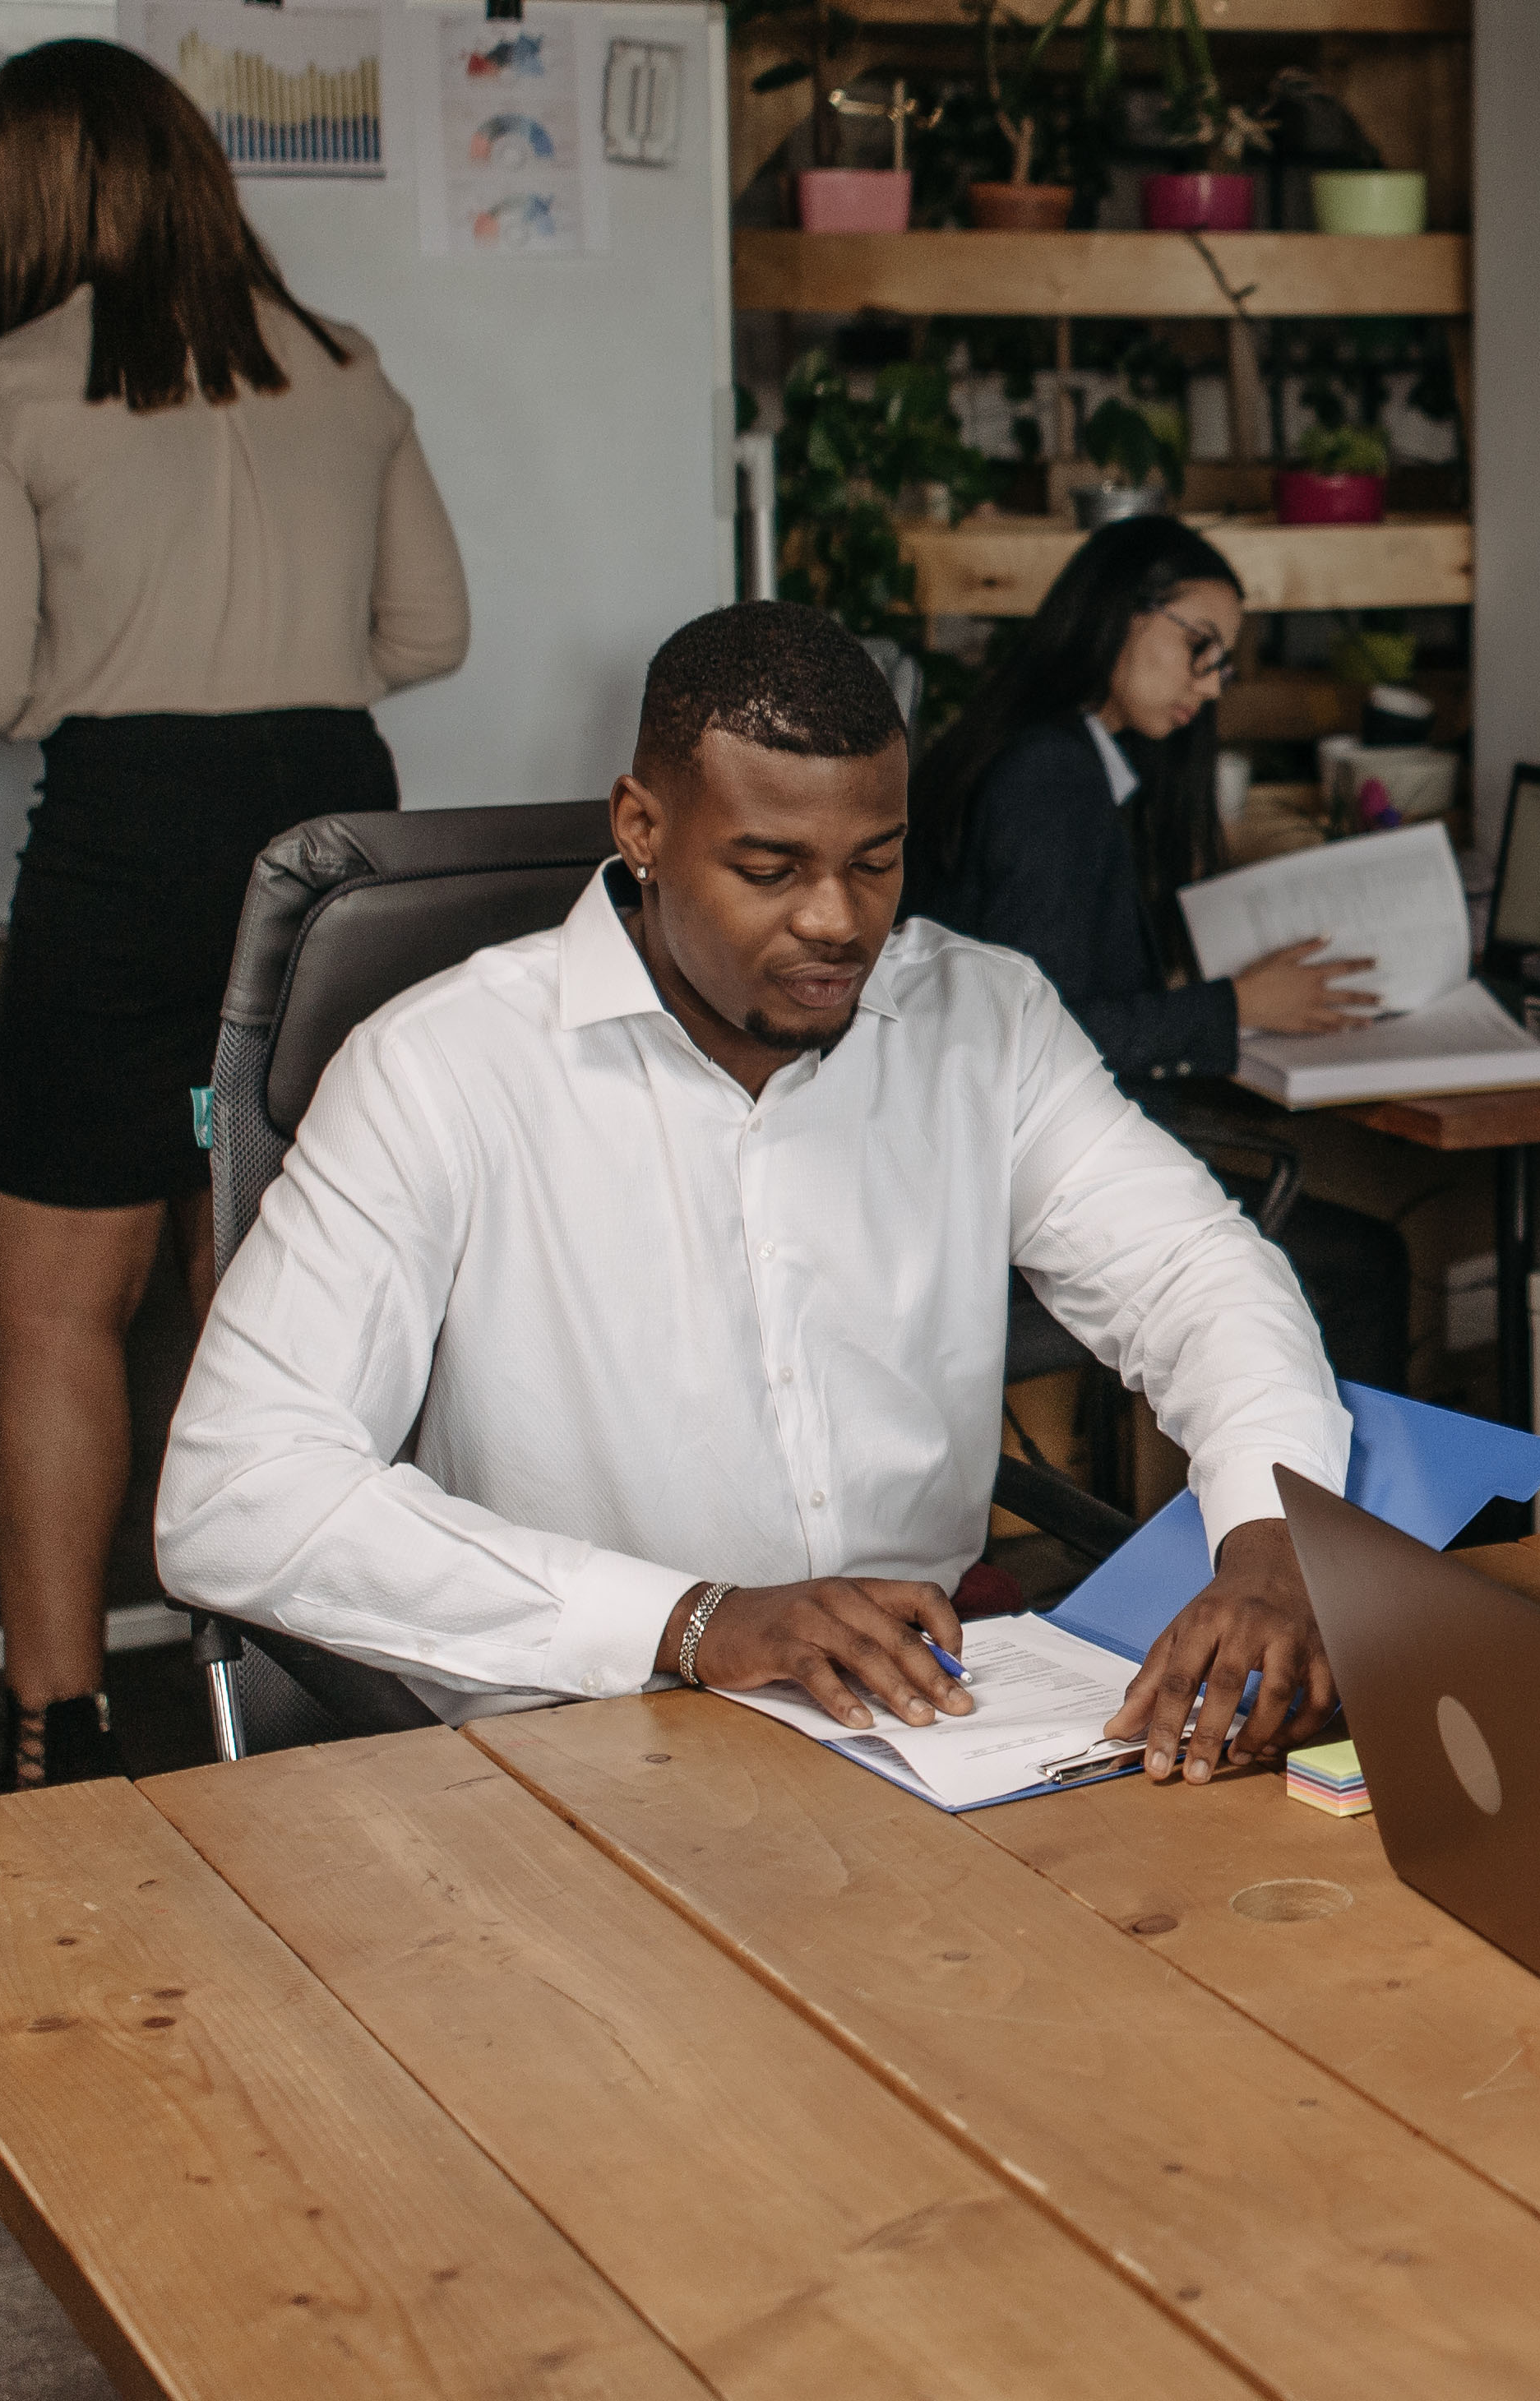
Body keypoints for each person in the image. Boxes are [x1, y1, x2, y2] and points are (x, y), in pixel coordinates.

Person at [155, 602, 1344, 1774]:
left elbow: (1196, 1277)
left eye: (875, 864)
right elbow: (239, 1491)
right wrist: (695, 1620)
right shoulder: (441, 1067)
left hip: (930, 1728)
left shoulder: (983, 1022)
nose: (836, 921)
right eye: (770, 869)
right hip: (582, 1742)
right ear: (643, 828)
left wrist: (1273, 1538)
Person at [0, 38, 468, 1796]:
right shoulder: (343, 370)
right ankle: (282, 1698)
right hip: (336, 842)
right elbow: (425, 640)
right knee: (273, 1299)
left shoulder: (12, 391)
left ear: (32, 197)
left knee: (60, 1314)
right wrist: (263, 677)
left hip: (128, 850)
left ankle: (54, 1741)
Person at [911, 514, 1414, 1390]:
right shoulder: (1050, 774)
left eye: (1224, 662)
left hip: (989, 1164)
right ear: (1119, 613)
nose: (1213, 686)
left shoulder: (1050, 752)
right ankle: (1349, 1525)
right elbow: (1049, 1033)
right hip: (1028, 1184)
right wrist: (1240, 1007)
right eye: (1201, 648)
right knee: (1365, 1264)